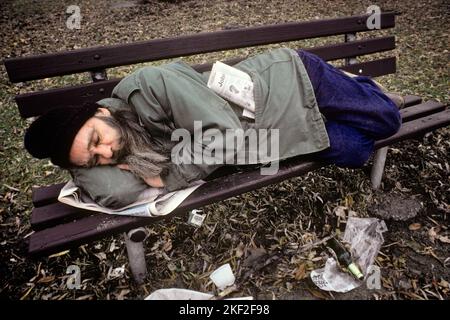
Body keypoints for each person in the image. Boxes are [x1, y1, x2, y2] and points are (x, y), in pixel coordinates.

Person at [24, 48, 402, 206]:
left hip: (291, 80)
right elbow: (117, 192)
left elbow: (224, 136)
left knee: (389, 120)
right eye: (94, 159)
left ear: (102, 113)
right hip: (272, 137)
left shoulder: (149, 85)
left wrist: (169, 176)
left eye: (96, 139)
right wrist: (79, 162)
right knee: (357, 150)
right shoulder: (119, 153)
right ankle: (350, 94)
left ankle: (358, 84)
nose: (106, 152)